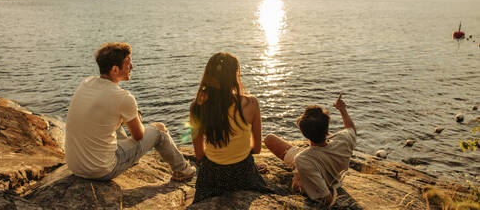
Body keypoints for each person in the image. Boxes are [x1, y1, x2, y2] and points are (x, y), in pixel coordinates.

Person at [65, 42, 195, 181]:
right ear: (115, 69)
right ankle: (182, 170)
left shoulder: (86, 83)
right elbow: (139, 136)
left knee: (112, 119)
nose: (132, 67)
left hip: (75, 166)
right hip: (101, 170)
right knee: (159, 129)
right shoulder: (123, 97)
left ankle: (130, 156)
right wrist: (136, 117)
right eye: (128, 63)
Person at [190, 52, 270, 203]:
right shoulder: (250, 104)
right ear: (235, 76)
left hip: (212, 176)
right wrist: (236, 154)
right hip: (243, 173)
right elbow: (257, 148)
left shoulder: (197, 107)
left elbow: (200, 155)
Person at [264, 93, 356, 207]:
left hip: (313, 165)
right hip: (332, 170)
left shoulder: (302, 159)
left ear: (304, 134)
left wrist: (299, 182)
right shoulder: (344, 139)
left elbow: (326, 199)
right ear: (327, 128)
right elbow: (350, 128)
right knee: (270, 138)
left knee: (269, 139)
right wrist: (342, 110)